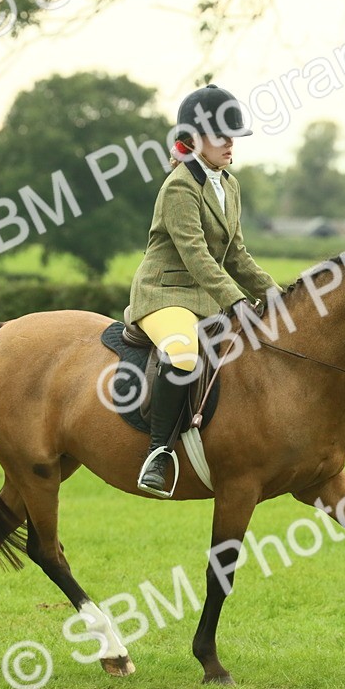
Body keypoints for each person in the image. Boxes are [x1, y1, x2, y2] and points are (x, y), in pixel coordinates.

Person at [126, 84, 279, 497]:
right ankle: (158, 454)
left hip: (207, 298)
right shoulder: (179, 186)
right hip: (164, 294)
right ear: (193, 139)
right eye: (221, 135)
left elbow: (237, 255)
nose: (230, 143)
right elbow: (195, 255)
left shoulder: (229, 184)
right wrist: (236, 301)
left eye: (234, 135)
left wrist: (279, 293)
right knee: (183, 353)